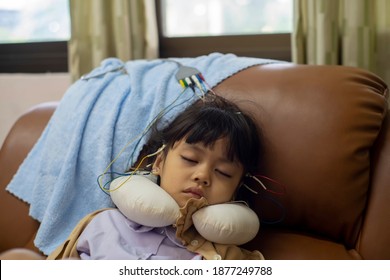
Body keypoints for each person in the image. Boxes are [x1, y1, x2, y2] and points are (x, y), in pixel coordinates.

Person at [1, 94, 263, 260]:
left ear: (236, 188)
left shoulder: (228, 257)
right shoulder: (103, 224)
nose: (203, 175)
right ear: (159, 162)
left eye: (223, 172)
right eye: (190, 159)